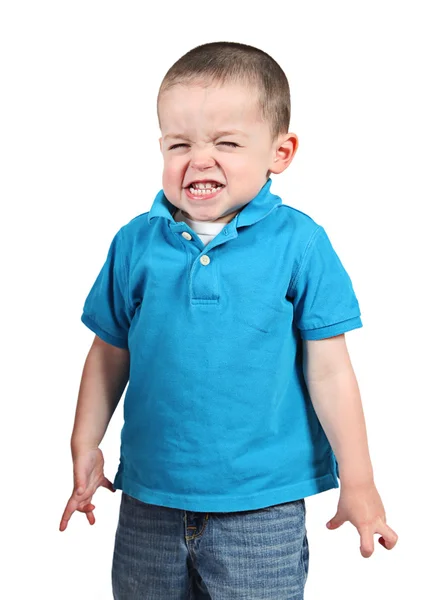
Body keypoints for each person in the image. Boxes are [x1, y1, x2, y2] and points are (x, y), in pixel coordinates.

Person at [59, 41, 398, 599]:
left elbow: (331, 372)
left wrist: (358, 480)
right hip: (149, 499)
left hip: (261, 506)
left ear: (280, 152)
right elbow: (108, 352)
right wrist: (85, 441)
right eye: (180, 143)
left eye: (227, 143)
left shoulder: (302, 245)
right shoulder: (134, 243)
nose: (200, 159)